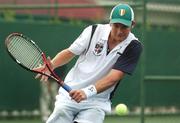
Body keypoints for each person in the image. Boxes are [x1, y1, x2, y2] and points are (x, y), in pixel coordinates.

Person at [36, 3, 143, 123]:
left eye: (124, 27)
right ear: (110, 22)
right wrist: (53, 64)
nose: (119, 31)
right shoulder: (93, 31)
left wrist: (87, 92)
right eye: (116, 26)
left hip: (97, 101)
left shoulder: (134, 46)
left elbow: (114, 77)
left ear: (132, 25)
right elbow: (70, 52)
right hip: (69, 95)